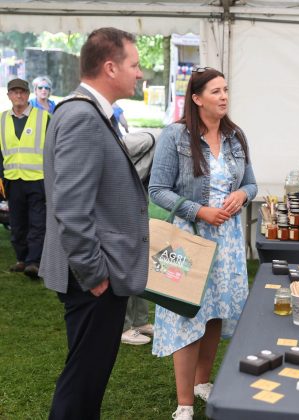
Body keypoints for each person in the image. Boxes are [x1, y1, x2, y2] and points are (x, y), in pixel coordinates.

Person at [40, 27, 148, 419]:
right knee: (81, 385)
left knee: (87, 381)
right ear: (109, 67)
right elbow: (71, 209)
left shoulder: (87, 113)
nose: (140, 73)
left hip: (94, 277)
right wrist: (95, 274)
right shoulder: (83, 117)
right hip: (93, 280)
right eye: (134, 65)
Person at [149, 67, 257, 420]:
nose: (224, 96)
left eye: (226, 90)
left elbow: (252, 184)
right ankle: (184, 403)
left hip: (226, 243)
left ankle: (201, 382)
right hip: (186, 239)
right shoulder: (175, 137)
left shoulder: (236, 137)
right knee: (186, 315)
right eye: (215, 91)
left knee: (215, 313)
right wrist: (199, 211)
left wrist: (241, 194)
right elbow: (157, 191)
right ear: (196, 99)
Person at [0, 78, 50, 278]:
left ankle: (34, 261)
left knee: (38, 222)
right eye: (14, 92)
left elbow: (54, 149)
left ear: (28, 94)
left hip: (38, 179)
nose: (18, 95)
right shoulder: (2, 119)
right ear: (9, 95)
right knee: (17, 222)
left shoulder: (44, 118)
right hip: (12, 180)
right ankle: (22, 258)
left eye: (22, 92)